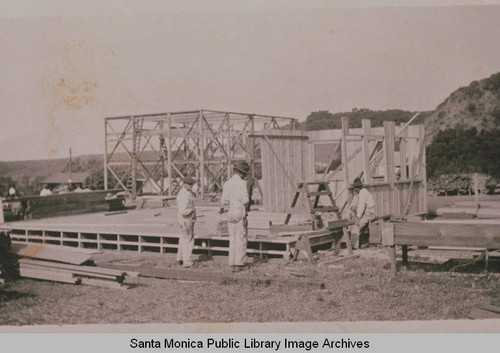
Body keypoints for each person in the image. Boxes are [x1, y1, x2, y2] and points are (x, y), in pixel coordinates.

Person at [220, 161, 250, 272]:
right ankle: (239, 264)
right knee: (241, 239)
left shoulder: (227, 183)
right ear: (242, 173)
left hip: (230, 212)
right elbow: (246, 200)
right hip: (239, 211)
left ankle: (231, 263)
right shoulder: (242, 183)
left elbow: (224, 201)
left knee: (232, 239)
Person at [348, 178, 376, 249]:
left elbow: (361, 206)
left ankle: (354, 246)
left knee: (356, 226)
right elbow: (354, 204)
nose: (354, 189)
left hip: (369, 212)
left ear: (358, 187)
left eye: (355, 187)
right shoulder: (357, 194)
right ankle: (355, 244)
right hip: (364, 212)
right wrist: (351, 210)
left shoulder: (363, 192)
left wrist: (357, 218)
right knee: (353, 224)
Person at [176, 177, 197, 268]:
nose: (191, 186)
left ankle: (180, 258)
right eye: (189, 184)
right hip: (186, 218)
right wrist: (191, 210)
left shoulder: (185, 193)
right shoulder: (184, 195)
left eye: (191, 184)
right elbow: (183, 210)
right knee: (188, 240)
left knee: (183, 238)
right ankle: (187, 261)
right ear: (184, 184)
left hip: (183, 219)